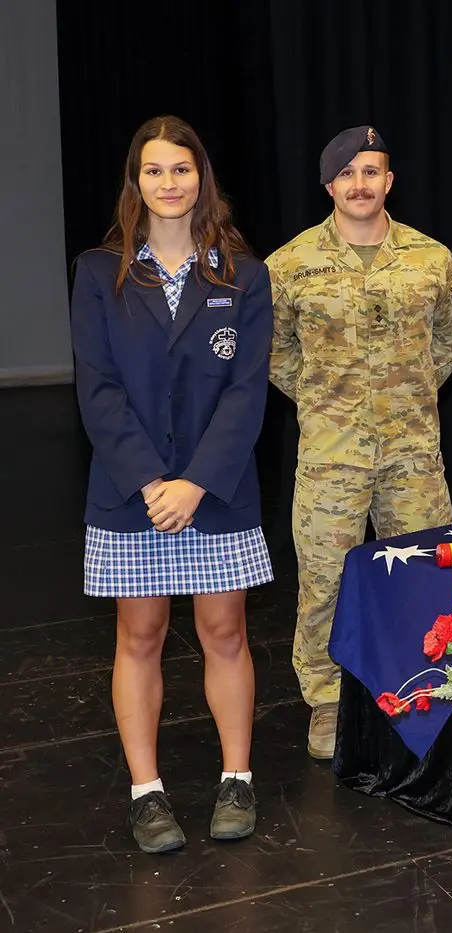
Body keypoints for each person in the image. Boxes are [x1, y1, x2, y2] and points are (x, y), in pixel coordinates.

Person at [71, 115, 271, 853]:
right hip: (133, 493)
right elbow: (97, 390)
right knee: (142, 633)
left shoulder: (244, 274)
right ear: (137, 182)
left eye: (180, 170)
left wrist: (194, 483)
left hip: (216, 491)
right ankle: (147, 792)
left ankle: (237, 777)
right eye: (154, 170)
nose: (168, 183)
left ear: (201, 179)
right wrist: (154, 482)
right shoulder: (100, 272)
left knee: (225, 631)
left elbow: (247, 392)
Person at [266, 126, 452, 759]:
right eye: (347, 173)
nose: (360, 184)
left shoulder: (430, 260)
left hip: (413, 452)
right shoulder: (290, 265)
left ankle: (430, 689)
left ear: (389, 181)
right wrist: (328, 401)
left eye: (372, 171)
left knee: (428, 575)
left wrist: (408, 391)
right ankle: (328, 703)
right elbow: (275, 350)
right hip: (331, 455)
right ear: (329, 185)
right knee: (326, 581)